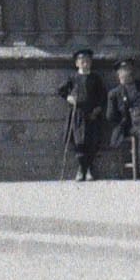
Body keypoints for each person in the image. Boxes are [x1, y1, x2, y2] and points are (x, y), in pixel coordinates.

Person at [58, 48, 108, 182]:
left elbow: (102, 96)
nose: (85, 63)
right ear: (77, 64)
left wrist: (97, 109)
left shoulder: (95, 78)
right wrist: (69, 98)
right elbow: (61, 90)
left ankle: (90, 169)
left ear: (91, 63)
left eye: (87, 61)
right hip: (77, 114)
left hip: (92, 114)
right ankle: (81, 168)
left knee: (91, 141)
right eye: (82, 61)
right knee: (79, 141)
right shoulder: (73, 77)